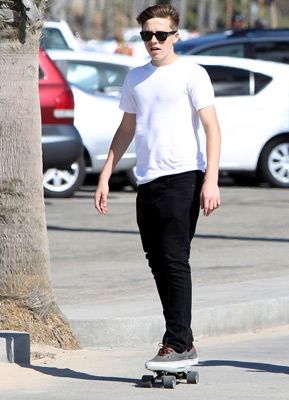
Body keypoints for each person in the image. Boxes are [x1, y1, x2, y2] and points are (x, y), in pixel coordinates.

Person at [94, 4, 222, 370]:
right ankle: (181, 338)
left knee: (174, 260)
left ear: (175, 36)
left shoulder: (192, 74)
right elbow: (126, 129)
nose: (153, 41)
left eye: (160, 34)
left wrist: (211, 179)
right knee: (158, 263)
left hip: (185, 176)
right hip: (147, 179)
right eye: (147, 35)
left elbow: (212, 127)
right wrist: (105, 174)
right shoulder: (135, 78)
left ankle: (179, 343)